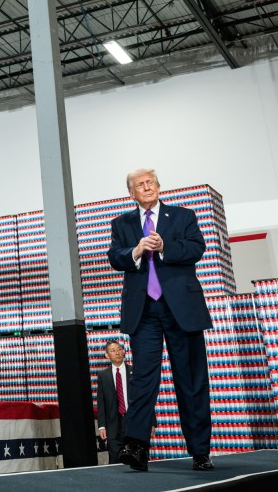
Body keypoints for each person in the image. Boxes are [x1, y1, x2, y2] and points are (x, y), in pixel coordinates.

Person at [108, 168, 213, 472]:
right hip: (144, 312)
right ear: (132, 194)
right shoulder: (122, 224)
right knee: (143, 380)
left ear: (158, 186)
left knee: (191, 379)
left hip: (182, 309)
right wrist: (136, 251)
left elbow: (197, 248)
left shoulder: (182, 216)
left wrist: (166, 247)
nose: (146, 187)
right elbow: (115, 257)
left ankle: (200, 451)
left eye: (150, 182)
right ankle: (137, 446)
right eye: (140, 185)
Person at [95, 340, 131, 464]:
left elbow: (144, 398)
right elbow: (101, 402)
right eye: (113, 350)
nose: (117, 353)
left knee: (137, 459)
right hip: (112, 426)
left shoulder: (135, 371)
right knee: (115, 462)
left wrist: (151, 422)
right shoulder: (103, 376)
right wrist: (101, 426)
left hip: (133, 422)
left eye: (119, 349)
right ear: (107, 355)